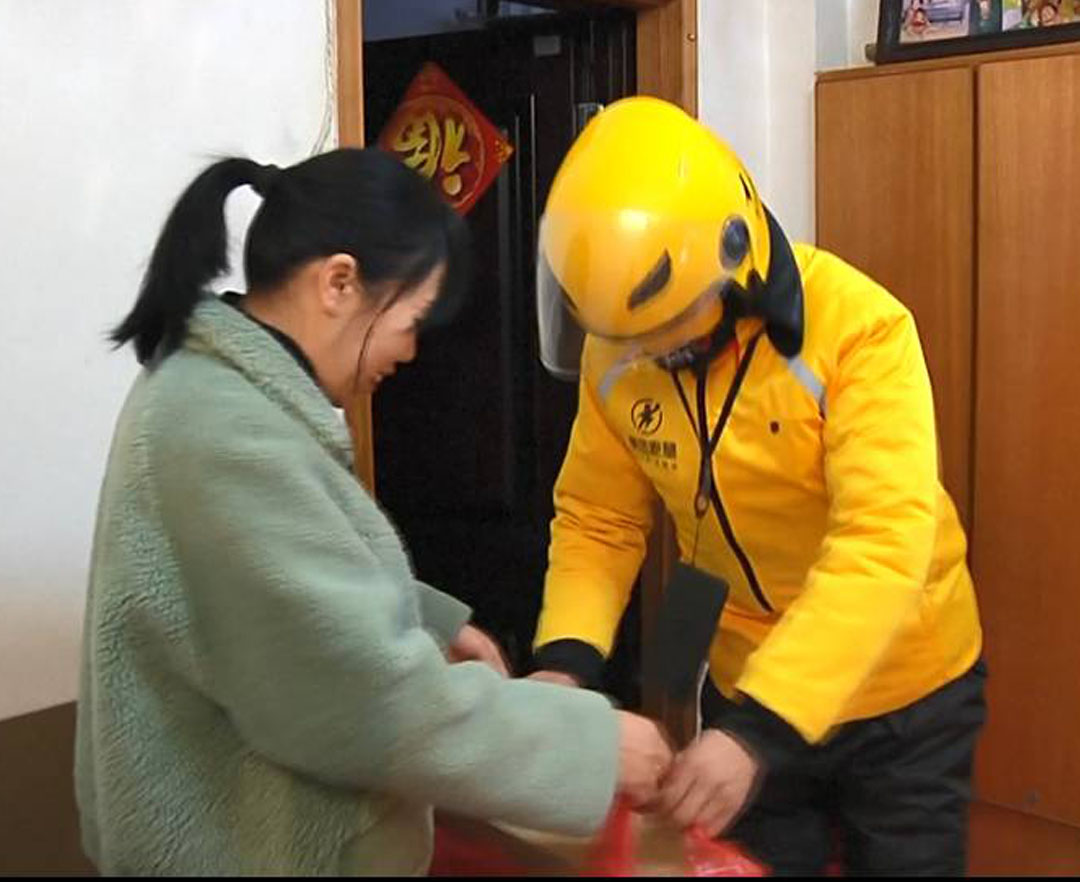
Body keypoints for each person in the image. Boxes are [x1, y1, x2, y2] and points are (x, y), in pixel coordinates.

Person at [74, 147, 672, 875]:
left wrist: (429, 620)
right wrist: (589, 746)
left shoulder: (217, 394)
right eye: (412, 319)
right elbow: (364, 698)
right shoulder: (224, 429)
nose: (411, 350)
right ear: (339, 282)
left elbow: (273, 581)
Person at [529, 97, 985, 875]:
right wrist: (566, 662)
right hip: (745, 680)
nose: (645, 357)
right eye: (627, 340)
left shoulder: (860, 329)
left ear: (734, 264)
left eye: (665, 334)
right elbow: (598, 519)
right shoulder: (616, 353)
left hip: (902, 691)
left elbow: (883, 544)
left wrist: (760, 734)